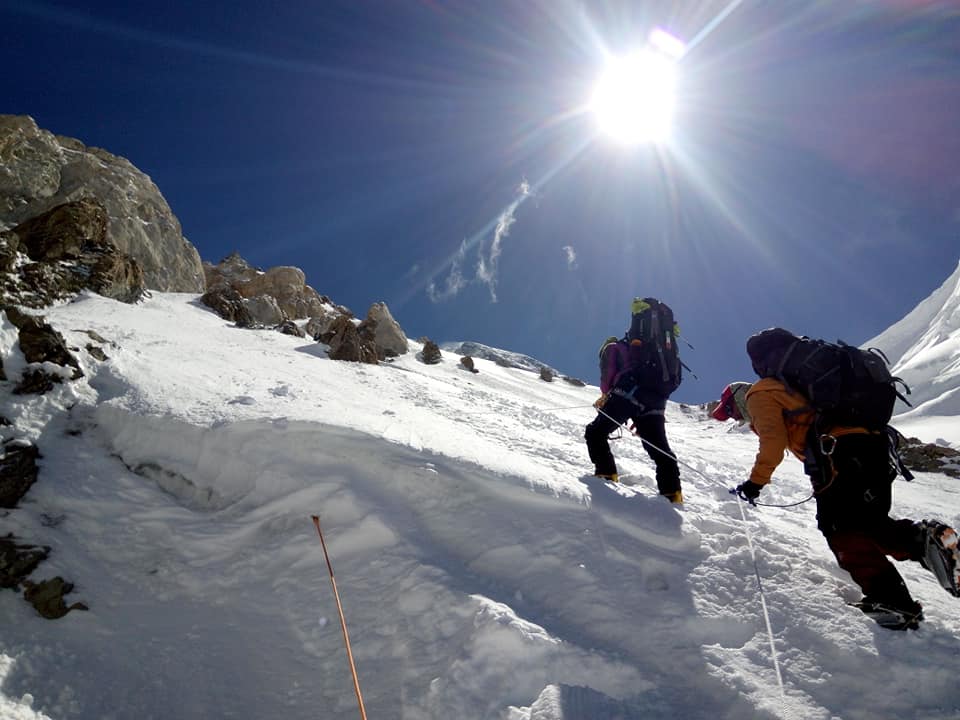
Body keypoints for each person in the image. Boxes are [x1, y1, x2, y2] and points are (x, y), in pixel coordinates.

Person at [713, 331, 960, 630]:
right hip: (874, 447)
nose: (737, 418)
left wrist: (755, 483)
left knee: (839, 529)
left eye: (731, 412)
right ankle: (923, 540)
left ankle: (893, 603)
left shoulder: (759, 394)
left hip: (839, 452)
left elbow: (773, 442)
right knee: (867, 523)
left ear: (737, 398)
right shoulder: (794, 388)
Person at [585, 311, 683, 503]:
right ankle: (673, 496)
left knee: (595, 432)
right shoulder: (651, 351)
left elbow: (608, 377)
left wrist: (607, 397)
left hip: (628, 394)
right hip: (656, 401)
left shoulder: (613, 347)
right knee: (660, 450)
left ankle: (606, 476)